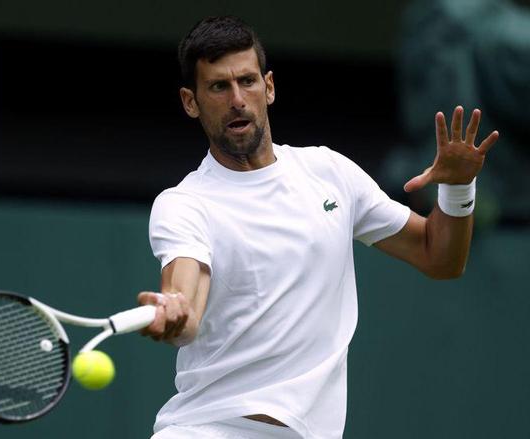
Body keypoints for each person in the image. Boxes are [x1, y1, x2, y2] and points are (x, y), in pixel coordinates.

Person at [137, 16, 499, 439]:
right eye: (219, 86)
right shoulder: (184, 204)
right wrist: (177, 310)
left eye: (247, 81)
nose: (237, 99)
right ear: (190, 102)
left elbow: (440, 258)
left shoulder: (329, 172)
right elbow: (186, 295)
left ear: (268, 87)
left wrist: (458, 188)